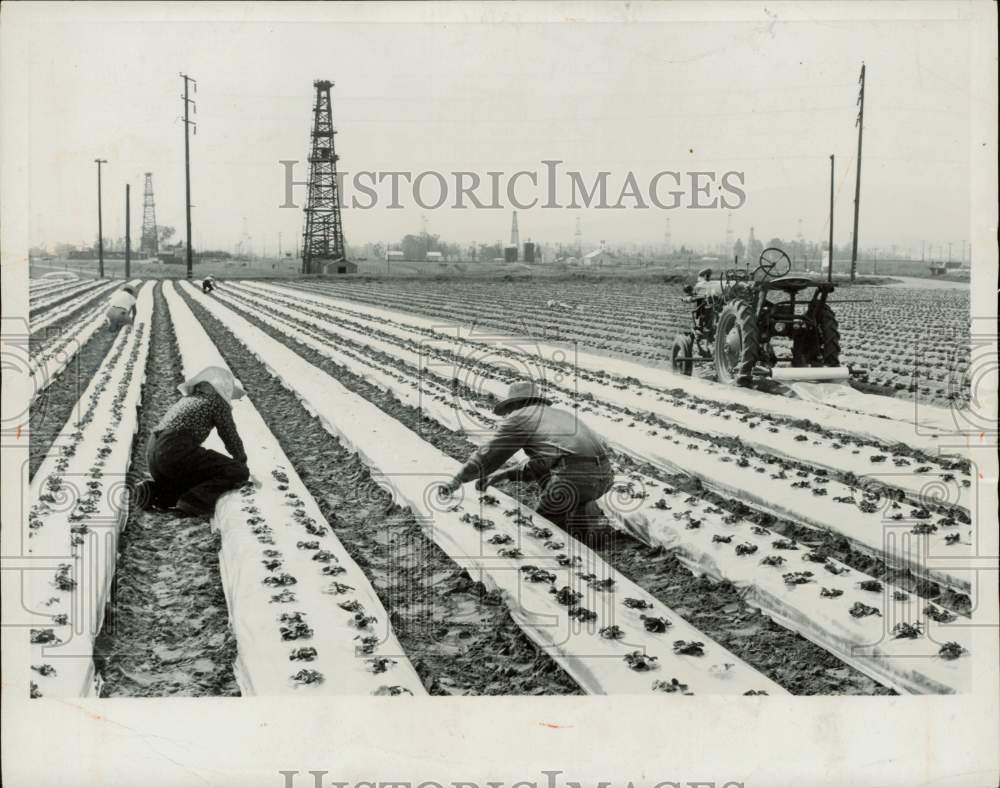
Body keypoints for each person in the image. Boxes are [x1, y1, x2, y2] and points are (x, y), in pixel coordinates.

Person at [439, 380, 613, 529]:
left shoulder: (520, 417)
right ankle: (585, 518)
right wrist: (503, 475)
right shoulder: (558, 415)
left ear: (515, 404)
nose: (508, 413)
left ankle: (571, 521)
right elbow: (542, 463)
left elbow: (488, 454)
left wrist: (457, 480)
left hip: (576, 479)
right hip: (604, 477)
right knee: (559, 486)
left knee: (544, 528)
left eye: (509, 408)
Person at [135, 366, 250, 517]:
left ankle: (154, 492)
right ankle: (193, 502)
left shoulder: (189, 399)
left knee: (196, 476)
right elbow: (229, 434)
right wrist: (241, 461)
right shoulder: (217, 402)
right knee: (235, 471)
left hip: (154, 452)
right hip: (175, 450)